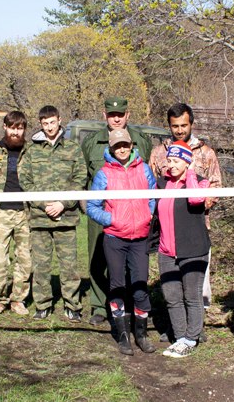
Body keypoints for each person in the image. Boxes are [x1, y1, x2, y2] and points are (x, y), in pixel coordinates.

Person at [81, 96, 153, 326]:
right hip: (102, 210)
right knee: (98, 258)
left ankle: (130, 303)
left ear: (127, 115)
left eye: (120, 114)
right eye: (112, 115)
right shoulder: (92, 142)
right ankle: (99, 304)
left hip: (134, 212)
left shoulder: (141, 140)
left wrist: (148, 212)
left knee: (133, 260)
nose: (116, 119)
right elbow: (85, 177)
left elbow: (145, 175)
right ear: (105, 115)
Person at [86, 128, 157, 355]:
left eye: (125, 145)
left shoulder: (144, 169)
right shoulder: (103, 174)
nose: (122, 149)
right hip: (115, 238)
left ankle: (141, 334)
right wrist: (112, 219)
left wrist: (147, 215)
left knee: (140, 287)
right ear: (111, 148)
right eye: (117, 146)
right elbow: (91, 206)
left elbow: (154, 195)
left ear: (131, 145)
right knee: (117, 285)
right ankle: (122, 334)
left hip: (139, 238)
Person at [148, 103, 222, 313]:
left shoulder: (206, 153)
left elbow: (216, 184)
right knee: (172, 282)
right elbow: (152, 185)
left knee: (197, 283)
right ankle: (176, 325)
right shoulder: (158, 153)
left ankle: (198, 325)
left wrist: (200, 202)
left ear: (191, 124)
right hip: (168, 230)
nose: (180, 130)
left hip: (196, 227)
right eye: (175, 126)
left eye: (184, 125)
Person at [19, 105, 88, 321]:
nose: (49, 127)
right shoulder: (32, 150)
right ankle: (43, 304)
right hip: (40, 218)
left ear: (60, 120)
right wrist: (43, 204)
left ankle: (72, 305)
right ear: (40, 124)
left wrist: (63, 203)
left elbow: (80, 178)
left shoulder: (73, 148)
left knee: (69, 266)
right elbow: (25, 181)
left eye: (52, 122)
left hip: (65, 217)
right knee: (41, 265)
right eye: (45, 123)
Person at [156, 141, 211, 358]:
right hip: (166, 250)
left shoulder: (199, 182)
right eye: (169, 160)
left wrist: (189, 175)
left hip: (193, 249)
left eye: (177, 160)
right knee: (171, 296)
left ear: (187, 162)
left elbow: (196, 199)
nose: (171, 165)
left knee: (192, 296)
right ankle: (180, 337)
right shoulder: (163, 183)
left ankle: (191, 337)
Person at [0, 111, 32, 316]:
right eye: (12, 127)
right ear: (5, 127)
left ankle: (18, 300)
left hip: (25, 213)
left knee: (24, 260)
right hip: (0, 213)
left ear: (24, 129)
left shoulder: (31, 151)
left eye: (19, 128)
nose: (15, 132)